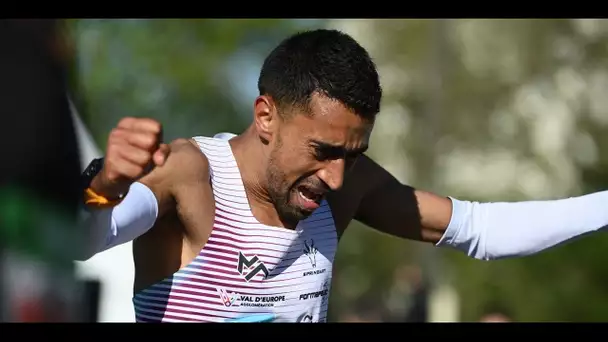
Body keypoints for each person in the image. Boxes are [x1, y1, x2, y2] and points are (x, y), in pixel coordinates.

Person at [77, 29, 608, 323]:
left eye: (353, 155)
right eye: (323, 150)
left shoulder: (345, 183)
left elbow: (482, 230)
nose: (334, 178)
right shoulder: (190, 174)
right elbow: (83, 241)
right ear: (266, 116)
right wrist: (106, 187)